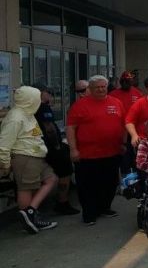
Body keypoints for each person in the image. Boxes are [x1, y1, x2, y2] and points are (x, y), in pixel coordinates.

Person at [66, 76, 127, 225]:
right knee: (87, 186)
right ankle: (89, 213)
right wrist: (73, 149)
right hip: (87, 155)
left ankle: (104, 207)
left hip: (112, 152)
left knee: (110, 183)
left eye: (103, 86)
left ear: (107, 87)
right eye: (97, 87)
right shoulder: (79, 106)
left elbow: (124, 124)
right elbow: (70, 128)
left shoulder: (116, 103)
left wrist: (124, 143)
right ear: (90, 89)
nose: (100, 89)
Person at [0, 86, 59, 234]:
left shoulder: (28, 113)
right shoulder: (15, 118)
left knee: (51, 178)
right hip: (24, 157)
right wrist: (5, 164)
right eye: (37, 98)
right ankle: (28, 219)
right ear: (29, 99)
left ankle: (30, 212)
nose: (40, 101)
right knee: (25, 188)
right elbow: (4, 143)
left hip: (36, 156)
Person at [30, 83, 79, 215]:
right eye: (49, 92)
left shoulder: (30, 107)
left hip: (36, 147)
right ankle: (62, 202)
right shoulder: (42, 107)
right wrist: (57, 146)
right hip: (49, 147)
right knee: (65, 170)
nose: (51, 95)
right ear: (40, 93)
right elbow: (49, 128)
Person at [110, 71, 144, 173]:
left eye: (128, 81)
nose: (126, 83)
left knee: (135, 154)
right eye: (124, 81)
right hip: (118, 130)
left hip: (134, 130)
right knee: (122, 155)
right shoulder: (113, 94)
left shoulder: (138, 93)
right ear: (121, 81)